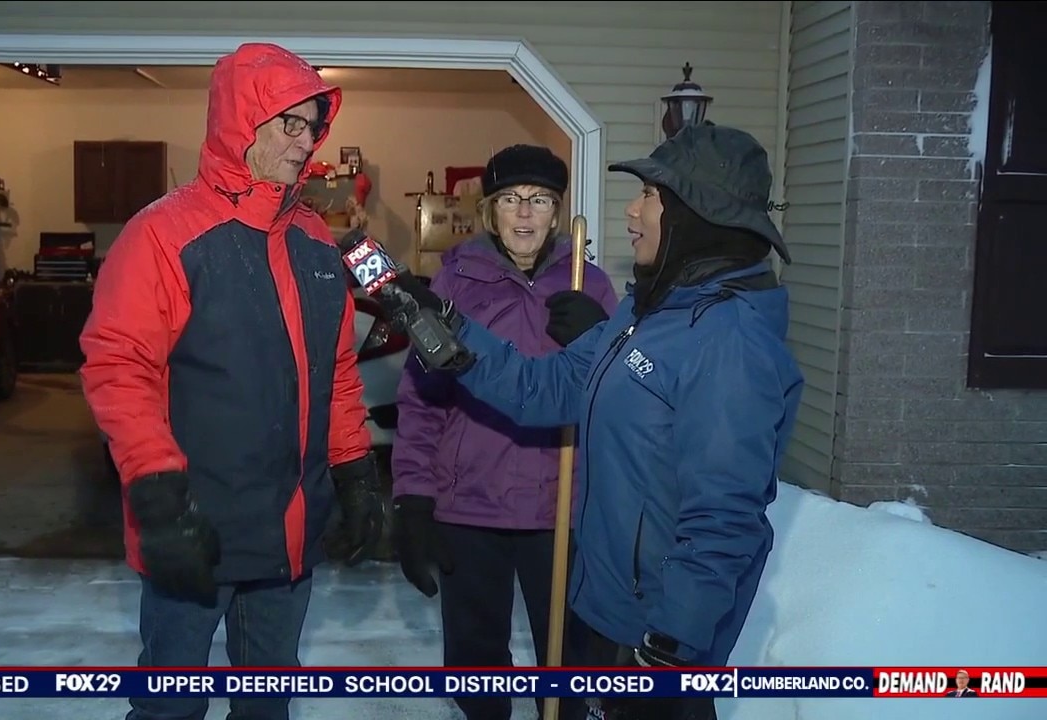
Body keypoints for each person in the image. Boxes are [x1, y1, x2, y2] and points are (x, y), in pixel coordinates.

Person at [377, 123, 804, 720]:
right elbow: (544, 387)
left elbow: (724, 519)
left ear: (693, 213)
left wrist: (670, 652)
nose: (631, 211)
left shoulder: (728, 342)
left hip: (652, 640)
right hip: (605, 608)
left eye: (650, 196)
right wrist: (450, 331)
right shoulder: (646, 311)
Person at [78, 42, 385, 720]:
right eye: (288, 124)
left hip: (289, 534)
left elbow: (336, 376)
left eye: (312, 126)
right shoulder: (164, 235)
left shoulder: (314, 242)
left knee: (267, 706)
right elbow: (118, 367)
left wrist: (355, 471)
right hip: (196, 531)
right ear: (241, 121)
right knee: (169, 708)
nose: (304, 143)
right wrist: (158, 495)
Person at [391, 145, 619, 720]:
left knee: (573, 668)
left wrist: (604, 340)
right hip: (470, 509)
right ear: (490, 210)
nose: (525, 214)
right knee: (475, 671)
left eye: (540, 200)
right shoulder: (455, 285)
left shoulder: (589, 287)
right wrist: (414, 498)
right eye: (511, 199)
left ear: (557, 210)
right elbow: (421, 399)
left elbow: (621, 397)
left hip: (559, 511)